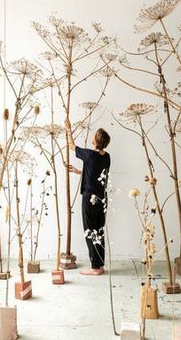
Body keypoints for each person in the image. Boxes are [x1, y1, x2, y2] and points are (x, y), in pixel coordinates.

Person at [64, 118, 111, 276]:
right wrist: (79, 172)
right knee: (99, 230)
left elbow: (71, 146)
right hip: (102, 198)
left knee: (90, 230)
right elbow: (97, 174)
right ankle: (100, 265)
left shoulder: (89, 155)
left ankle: (95, 267)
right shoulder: (107, 157)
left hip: (89, 198)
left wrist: (68, 129)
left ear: (96, 140)